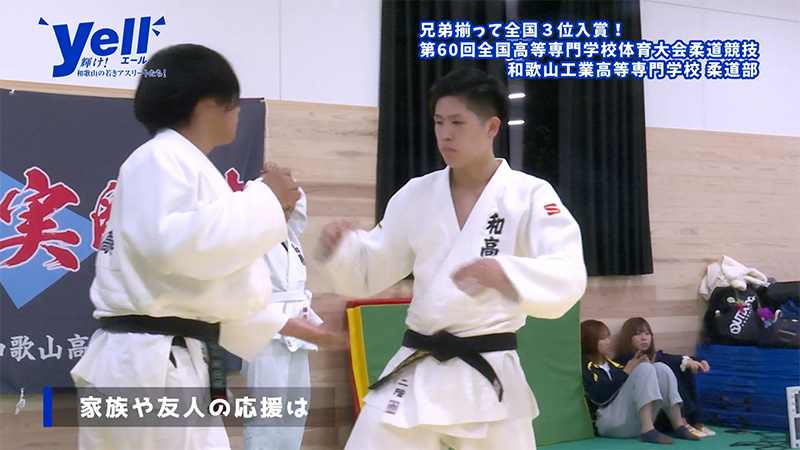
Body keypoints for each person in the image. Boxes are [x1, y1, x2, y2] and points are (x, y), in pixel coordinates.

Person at [70, 44, 334, 449]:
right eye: (235, 102)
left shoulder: (180, 163)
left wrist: (291, 326)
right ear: (210, 103)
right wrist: (266, 198)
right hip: (149, 368)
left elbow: (197, 287)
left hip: (158, 361)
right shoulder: (159, 159)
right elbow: (176, 247)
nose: (238, 112)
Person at [317, 68, 587, 449]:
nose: (445, 134)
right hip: (420, 363)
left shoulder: (529, 195)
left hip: (489, 368)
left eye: (457, 123)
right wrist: (344, 250)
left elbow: (568, 271)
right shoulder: (416, 194)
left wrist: (505, 272)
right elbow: (373, 264)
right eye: (439, 122)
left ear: (492, 127)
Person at [241, 162, 324, 450]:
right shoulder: (251, 236)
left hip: (297, 330)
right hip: (265, 333)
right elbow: (251, 201)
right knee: (267, 414)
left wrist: (288, 179)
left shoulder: (291, 237)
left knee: (295, 410)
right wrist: (267, 183)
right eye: (281, 209)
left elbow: (298, 204)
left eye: (289, 210)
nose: (287, 215)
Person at [580, 320, 701, 445]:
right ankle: (647, 429)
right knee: (644, 368)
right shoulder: (585, 368)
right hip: (608, 424)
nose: (608, 342)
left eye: (608, 337)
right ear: (590, 341)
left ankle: (678, 425)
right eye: (603, 338)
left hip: (632, 422)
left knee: (661, 368)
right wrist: (627, 371)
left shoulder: (613, 365)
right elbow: (600, 398)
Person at [614, 317, 715, 438]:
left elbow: (668, 357)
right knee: (667, 366)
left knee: (681, 368)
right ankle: (682, 420)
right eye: (638, 334)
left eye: (647, 334)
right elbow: (665, 360)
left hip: (659, 409)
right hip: (638, 413)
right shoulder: (623, 360)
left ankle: (694, 420)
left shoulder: (652, 355)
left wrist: (695, 361)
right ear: (628, 338)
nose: (644, 338)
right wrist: (683, 361)